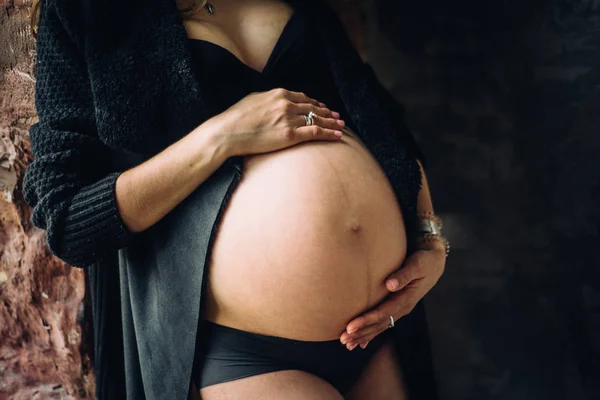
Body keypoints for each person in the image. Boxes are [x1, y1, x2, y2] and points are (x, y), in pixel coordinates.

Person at [24, 0, 448, 398]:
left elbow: (385, 127)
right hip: (247, 351)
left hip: (379, 330)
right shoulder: (88, 12)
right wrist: (221, 136)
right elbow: (69, 221)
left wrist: (429, 240)